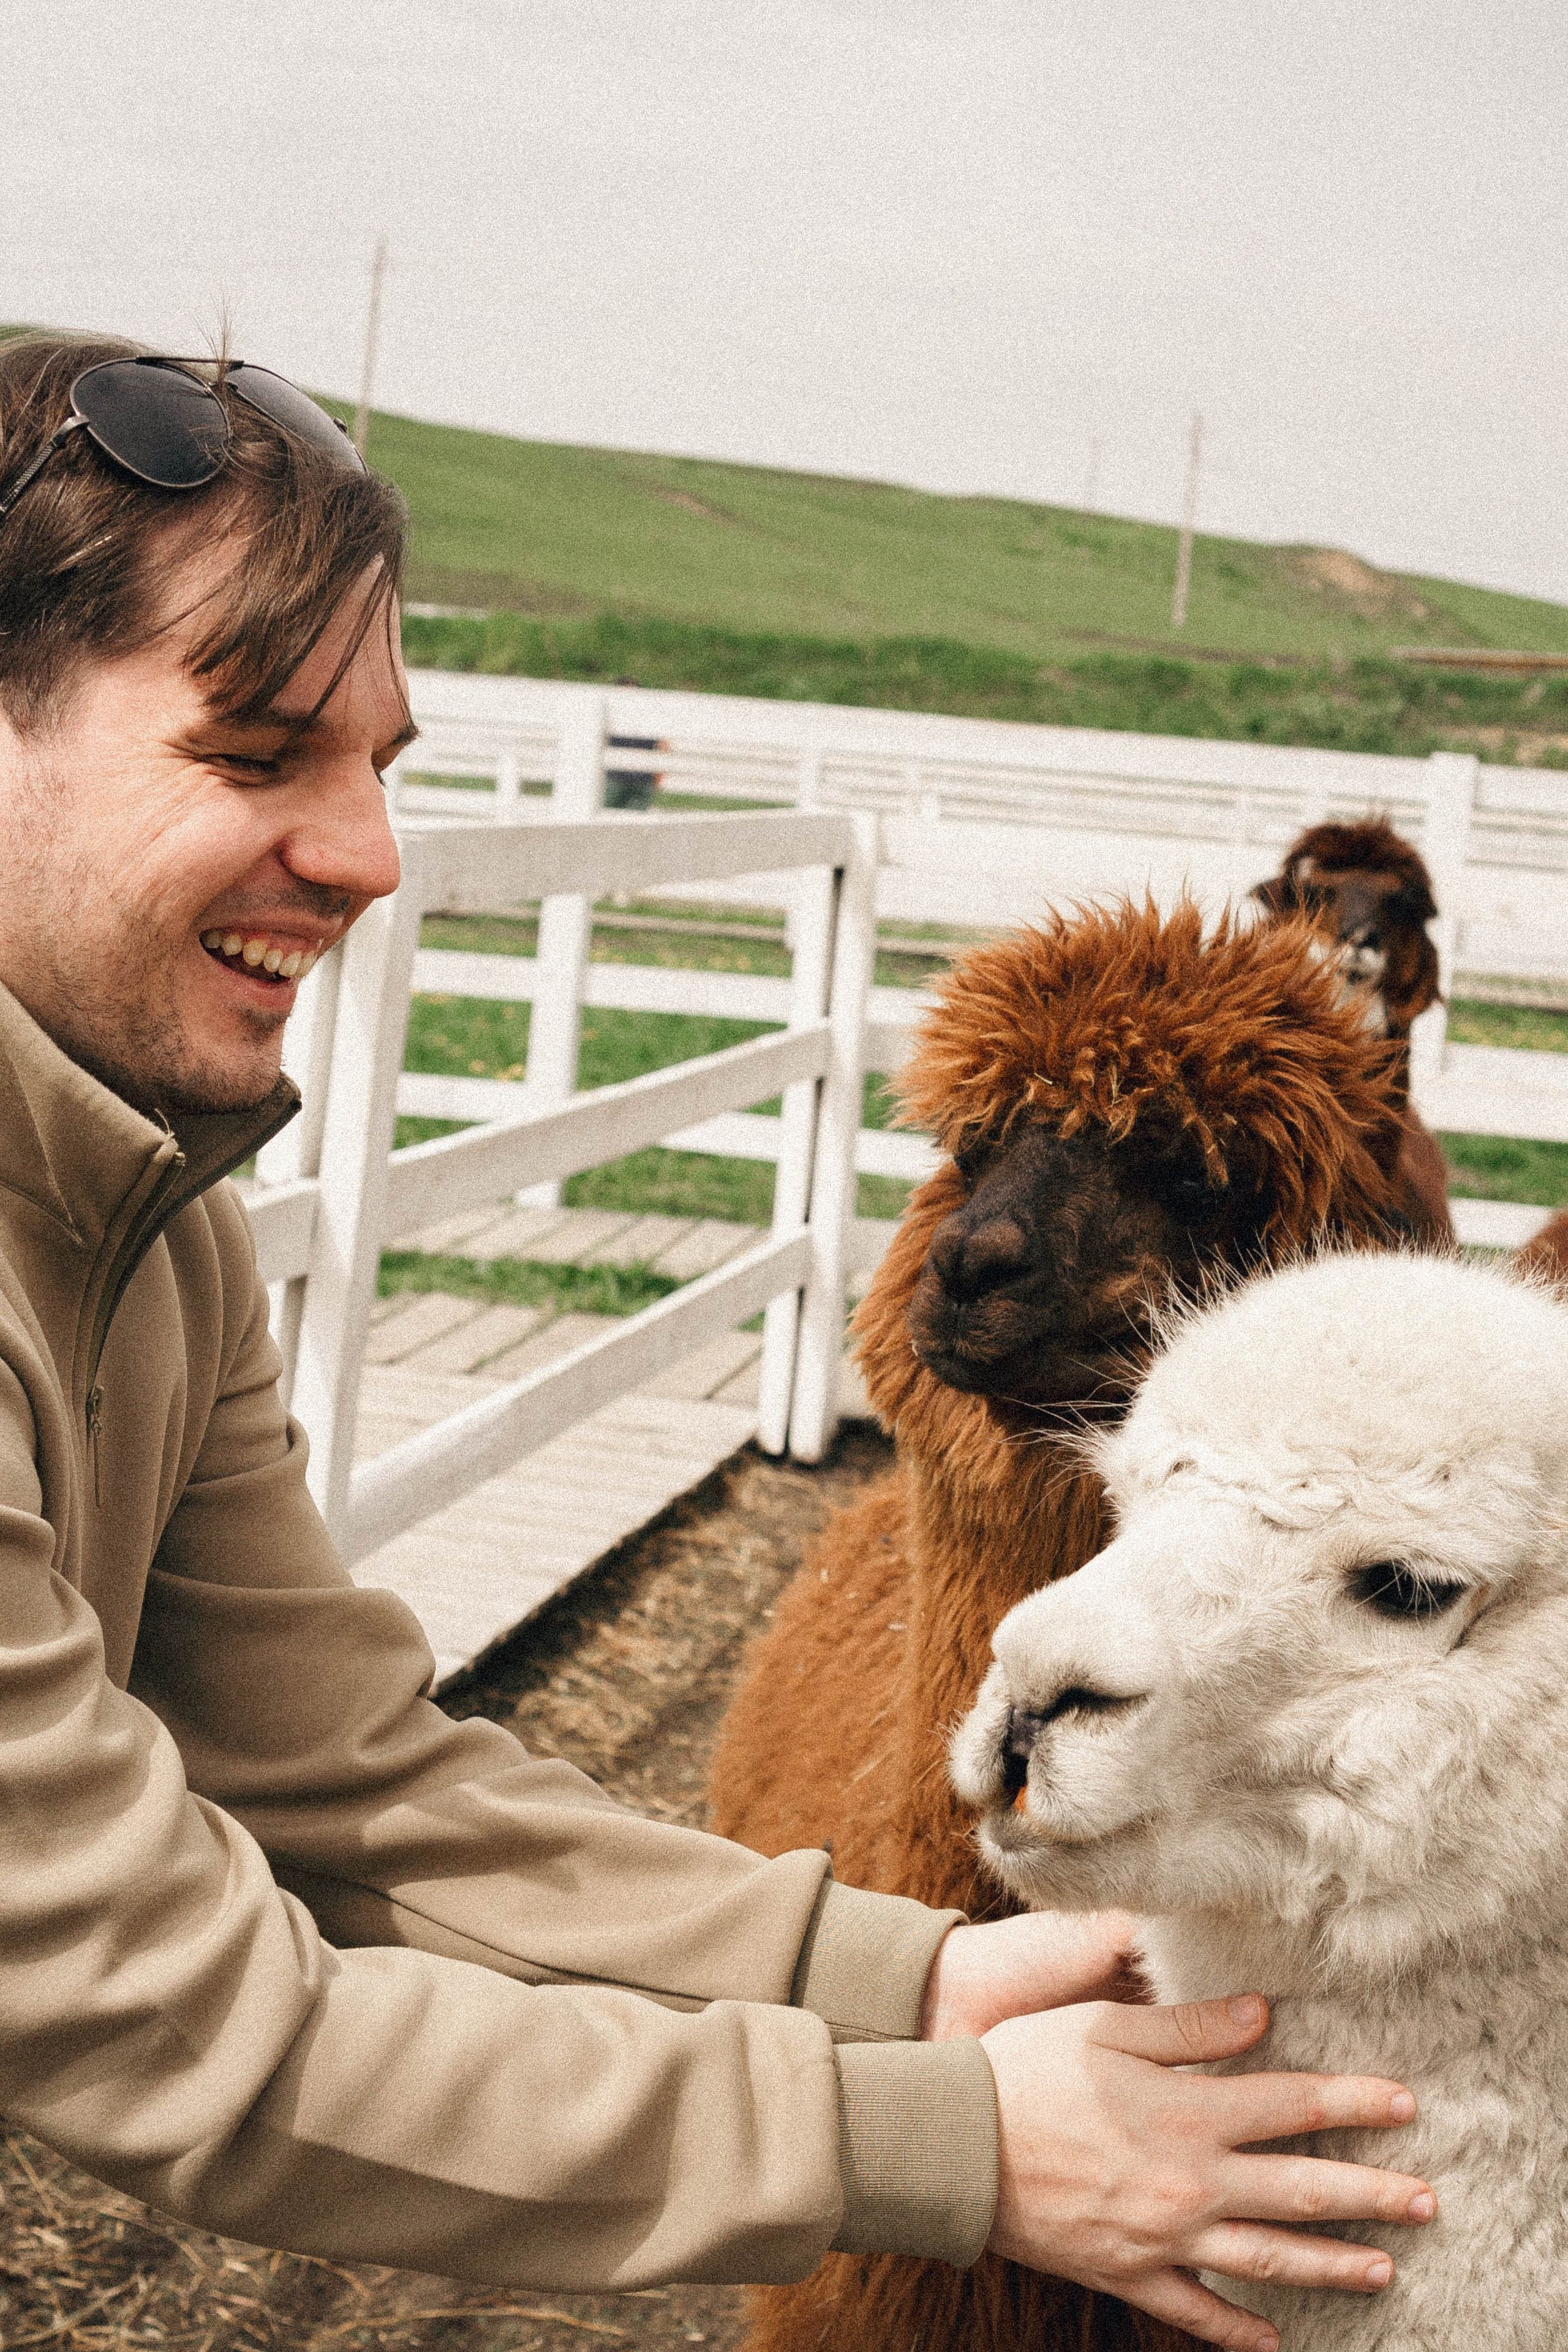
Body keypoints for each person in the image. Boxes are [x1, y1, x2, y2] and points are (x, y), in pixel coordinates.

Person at [0, 333, 1435, 2352]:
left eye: (378, 765)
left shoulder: (145, 1215)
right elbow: (184, 2023)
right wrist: (953, 2138)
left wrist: (906, 1979)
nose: (367, 855)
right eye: (256, 754)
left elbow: (340, 1775)